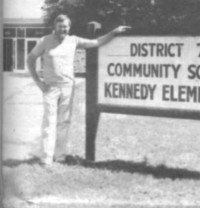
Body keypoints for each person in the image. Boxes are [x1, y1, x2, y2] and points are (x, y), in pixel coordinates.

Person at [27, 14, 131, 165]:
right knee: (49, 123)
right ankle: (46, 159)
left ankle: (60, 157)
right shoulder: (45, 41)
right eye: (60, 26)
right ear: (54, 27)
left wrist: (114, 32)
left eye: (66, 26)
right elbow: (30, 59)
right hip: (50, 88)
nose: (63, 29)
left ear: (69, 27)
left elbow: (96, 42)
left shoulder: (73, 40)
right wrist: (38, 82)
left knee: (64, 122)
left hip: (68, 87)